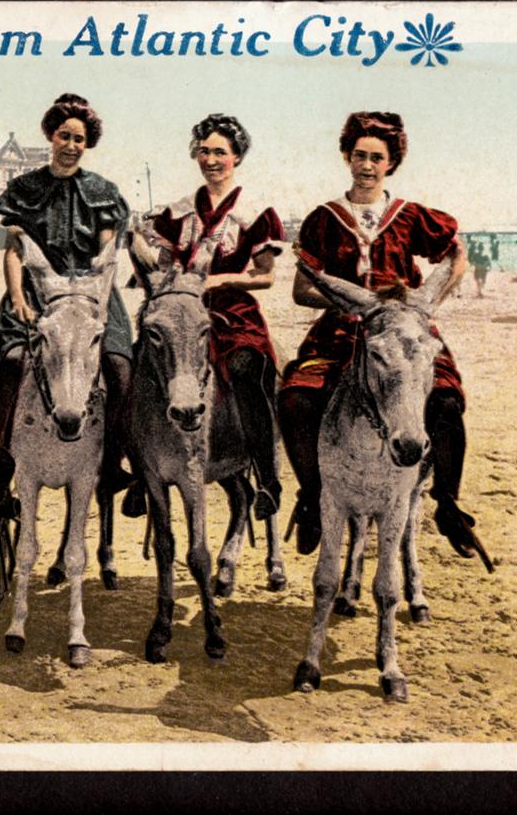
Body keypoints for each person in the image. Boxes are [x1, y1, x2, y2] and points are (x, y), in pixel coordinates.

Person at [278, 111, 480, 560]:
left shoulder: (411, 216)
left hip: (403, 330)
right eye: (359, 156)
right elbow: (301, 289)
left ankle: (449, 506)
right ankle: (312, 497)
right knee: (296, 399)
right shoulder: (324, 218)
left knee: (446, 401)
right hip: (340, 331)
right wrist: (348, 303)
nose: (366, 166)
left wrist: (427, 305)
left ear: (391, 163)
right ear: (346, 158)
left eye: (376, 158)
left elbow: (457, 255)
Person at [0, 93, 134, 494]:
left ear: (88, 143)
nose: (71, 146)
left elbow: (106, 257)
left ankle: (112, 462)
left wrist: (96, 301)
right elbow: (14, 251)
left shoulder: (102, 191)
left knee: (119, 367)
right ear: (51, 136)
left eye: (79, 139)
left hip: (93, 291)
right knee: (12, 360)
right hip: (35, 286)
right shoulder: (25, 188)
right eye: (64, 136)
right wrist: (17, 298)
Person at [137, 113, 286, 519]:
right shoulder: (179, 212)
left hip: (233, 313)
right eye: (204, 151)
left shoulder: (255, 213)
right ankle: (139, 466)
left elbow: (266, 276)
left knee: (246, 369)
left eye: (220, 152)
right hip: (182, 310)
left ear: (237, 156)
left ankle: (267, 477)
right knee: (142, 358)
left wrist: (219, 280)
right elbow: (164, 265)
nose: (211, 160)